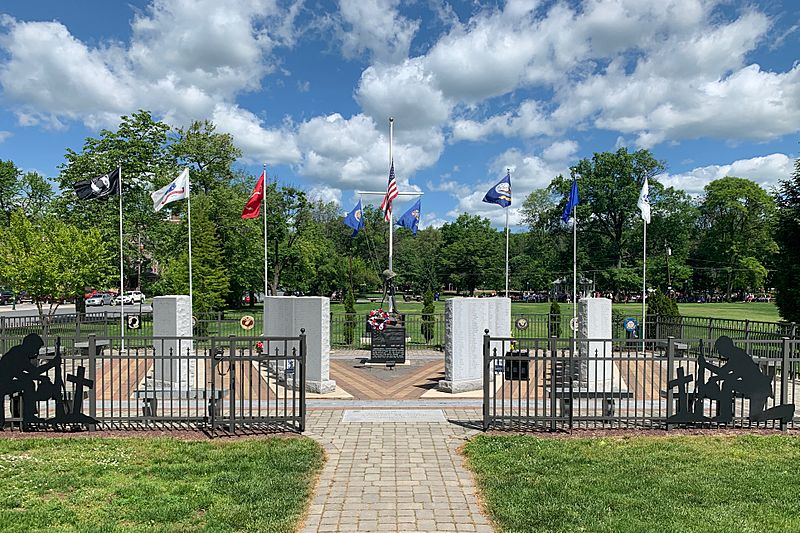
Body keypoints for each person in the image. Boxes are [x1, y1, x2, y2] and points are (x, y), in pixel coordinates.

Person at [0, 334, 61, 426]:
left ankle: (28, 415)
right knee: (28, 384)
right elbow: (31, 372)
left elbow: (27, 373)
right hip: (2, 384)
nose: (36, 352)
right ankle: (29, 415)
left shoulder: (19, 352)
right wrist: (51, 364)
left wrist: (40, 377)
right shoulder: (18, 354)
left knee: (28, 384)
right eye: (36, 348)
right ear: (30, 345)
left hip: (5, 382)